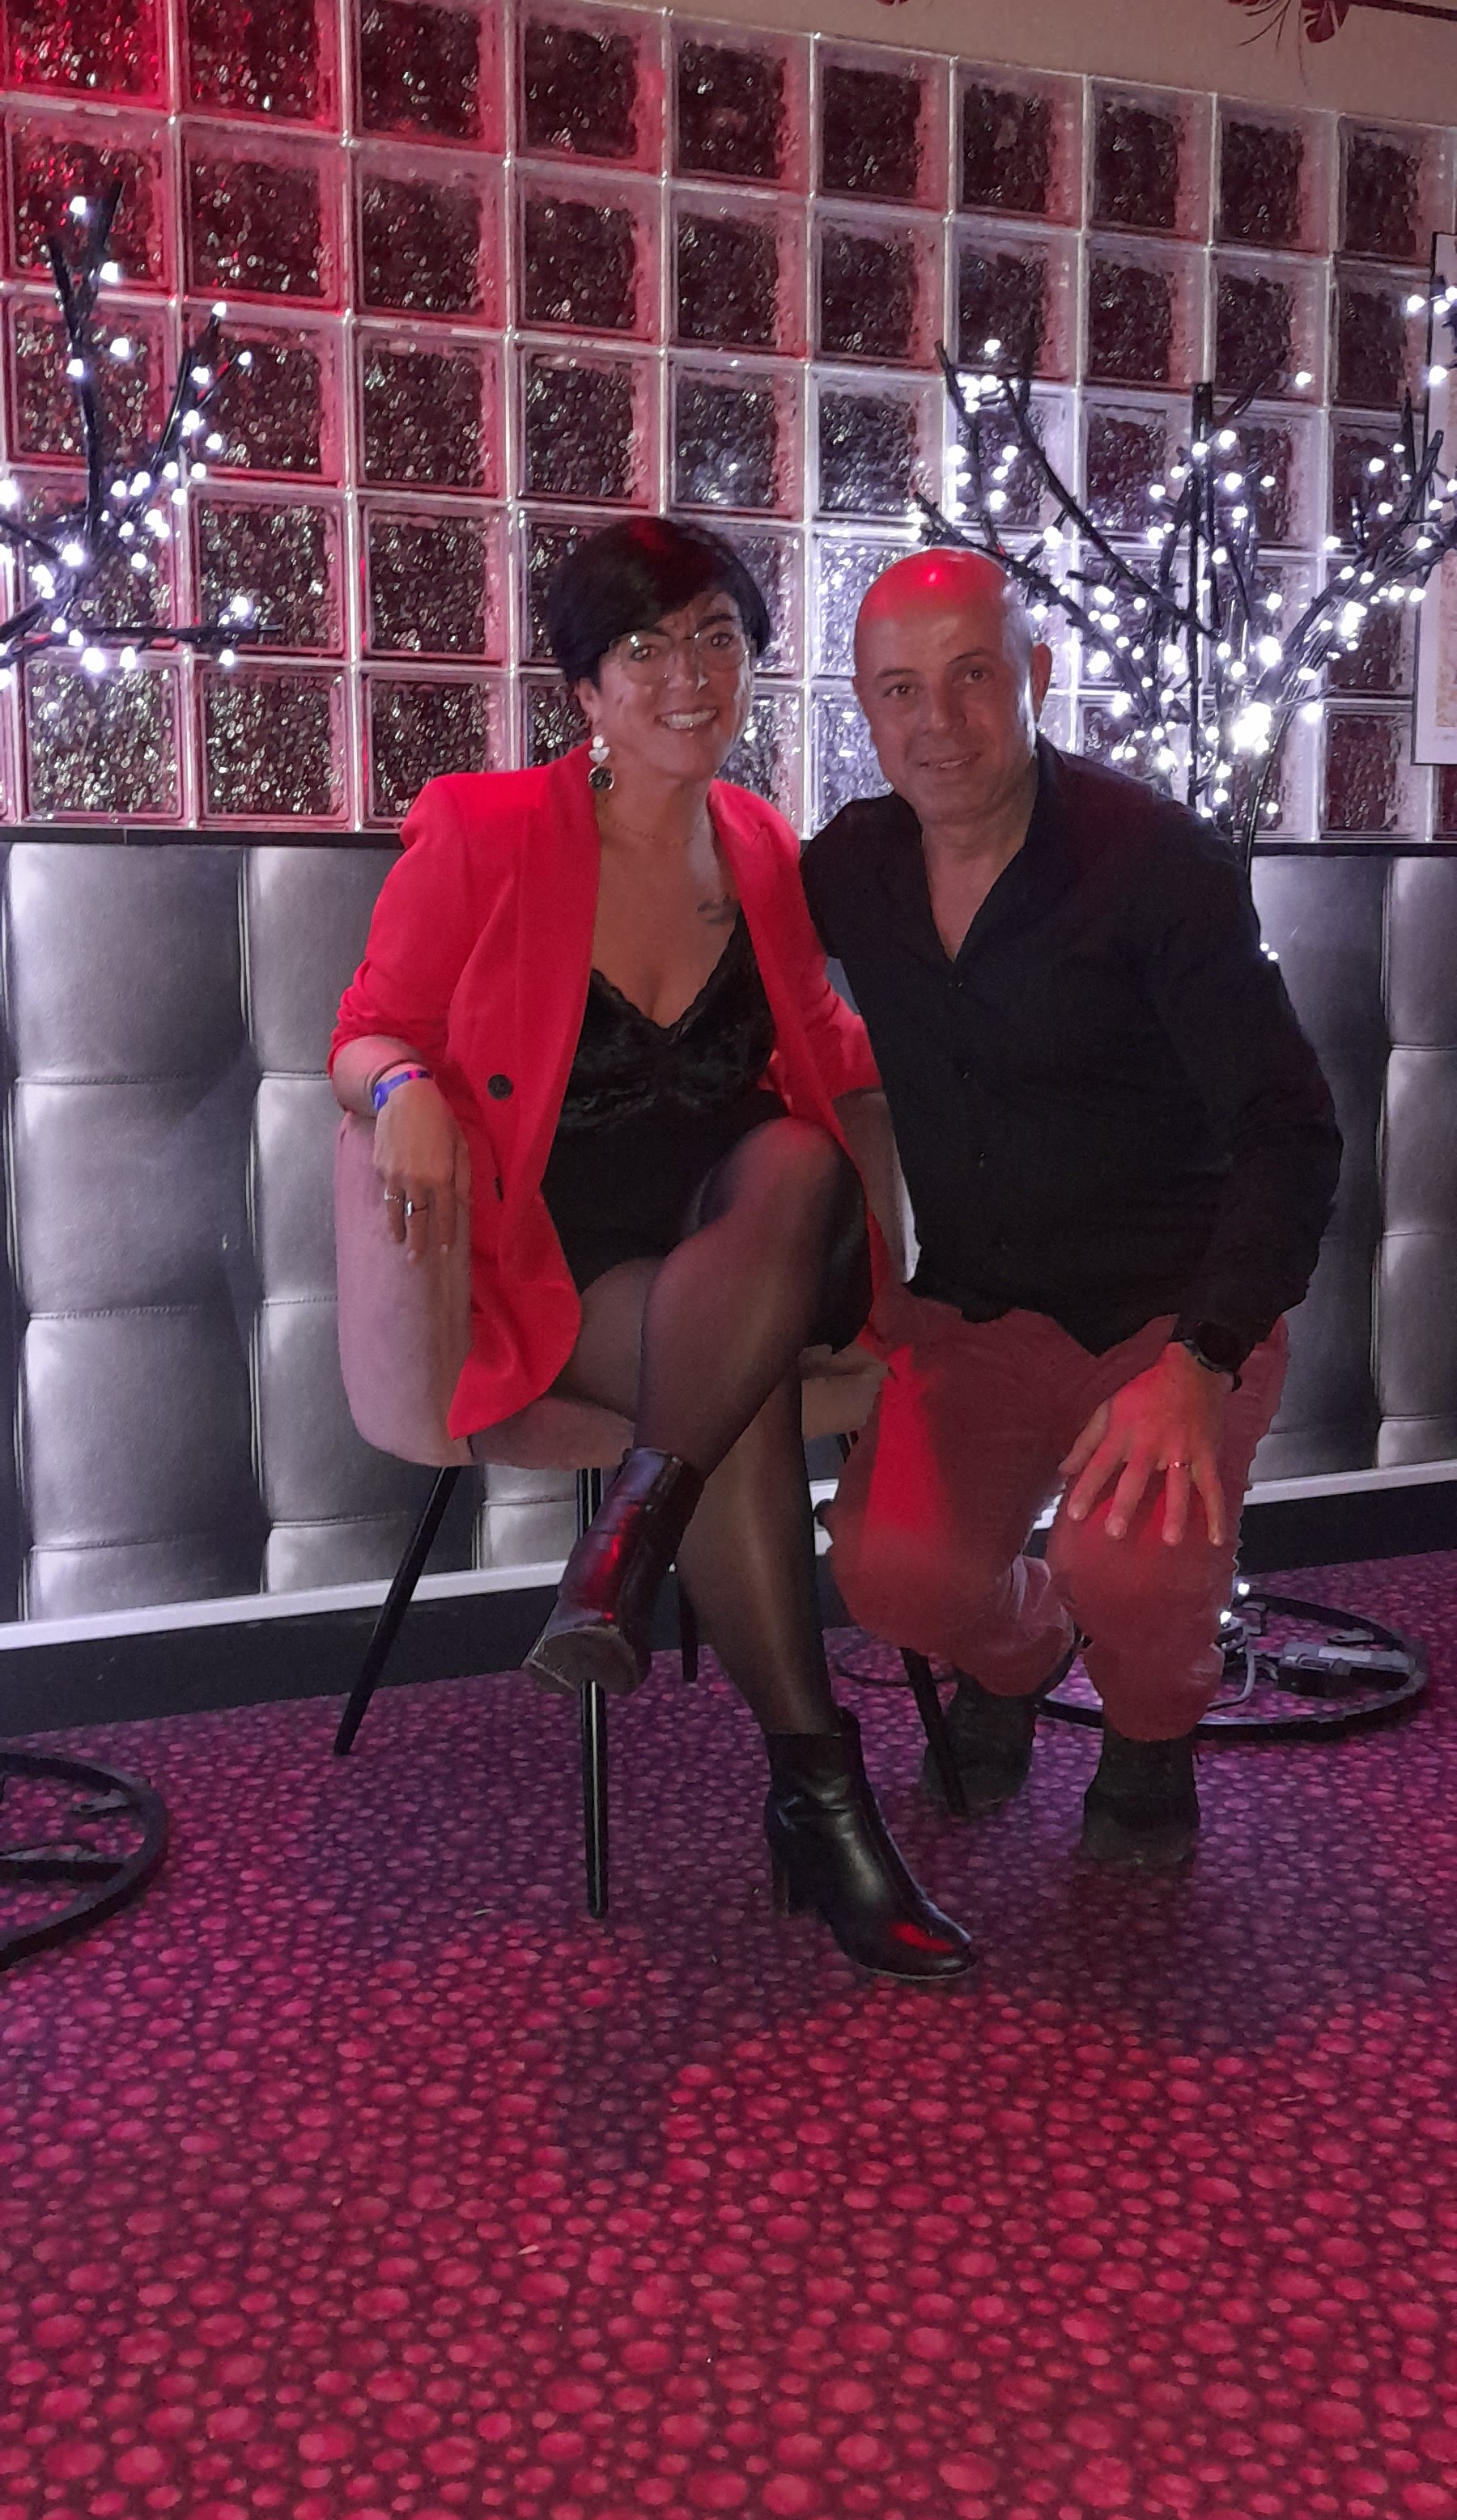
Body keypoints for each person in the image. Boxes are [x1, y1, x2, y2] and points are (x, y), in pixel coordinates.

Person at [332, 516, 973, 1983]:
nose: (689, 676)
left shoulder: (765, 848)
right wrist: (402, 1085)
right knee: (723, 1389)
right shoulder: (483, 829)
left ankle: (630, 1546)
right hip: (583, 1271)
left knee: (797, 1160)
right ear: (588, 692)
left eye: (717, 640)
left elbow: (825, 1049)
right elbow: (366, 1027)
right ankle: (817, 1792)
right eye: (646, 647)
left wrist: (977, 1054)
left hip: (771, 1229)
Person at [801, 547, 1342, 1869]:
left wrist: (1202, 1363)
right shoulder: (854, 869)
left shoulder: (1153, 859)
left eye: (973, 677)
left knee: (1136, 1577)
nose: (938, 722)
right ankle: (1025, 1652)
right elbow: (698, 938)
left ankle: (1150, 1729)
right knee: (888, 1574)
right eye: (899, 690)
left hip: (1170, 1317)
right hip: (981, 1309)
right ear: (864, 710)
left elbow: (1291, 1131)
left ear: (1036, 676)